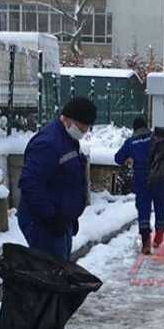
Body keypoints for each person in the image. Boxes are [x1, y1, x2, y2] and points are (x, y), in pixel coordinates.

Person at [18, 96, 95, 263]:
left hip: (60, 222)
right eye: (81, 127)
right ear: (67, 119)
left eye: (86, 128)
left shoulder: (68, 140)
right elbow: (29, 183)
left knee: (60, 270)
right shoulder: (48, 143)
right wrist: (51, 217)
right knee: (51, 272)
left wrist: (69, 216)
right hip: (43, 224)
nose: (83, 132)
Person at [115, 117, 164, 255]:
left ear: (135, 129)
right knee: (160, 206)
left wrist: (130, 158)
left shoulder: (131, 142)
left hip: (142, 180)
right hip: (160, 177)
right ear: (146, 126)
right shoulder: (156, 137)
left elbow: (117, 158)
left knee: (143, 209)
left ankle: (146, 243)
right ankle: (159, 233)